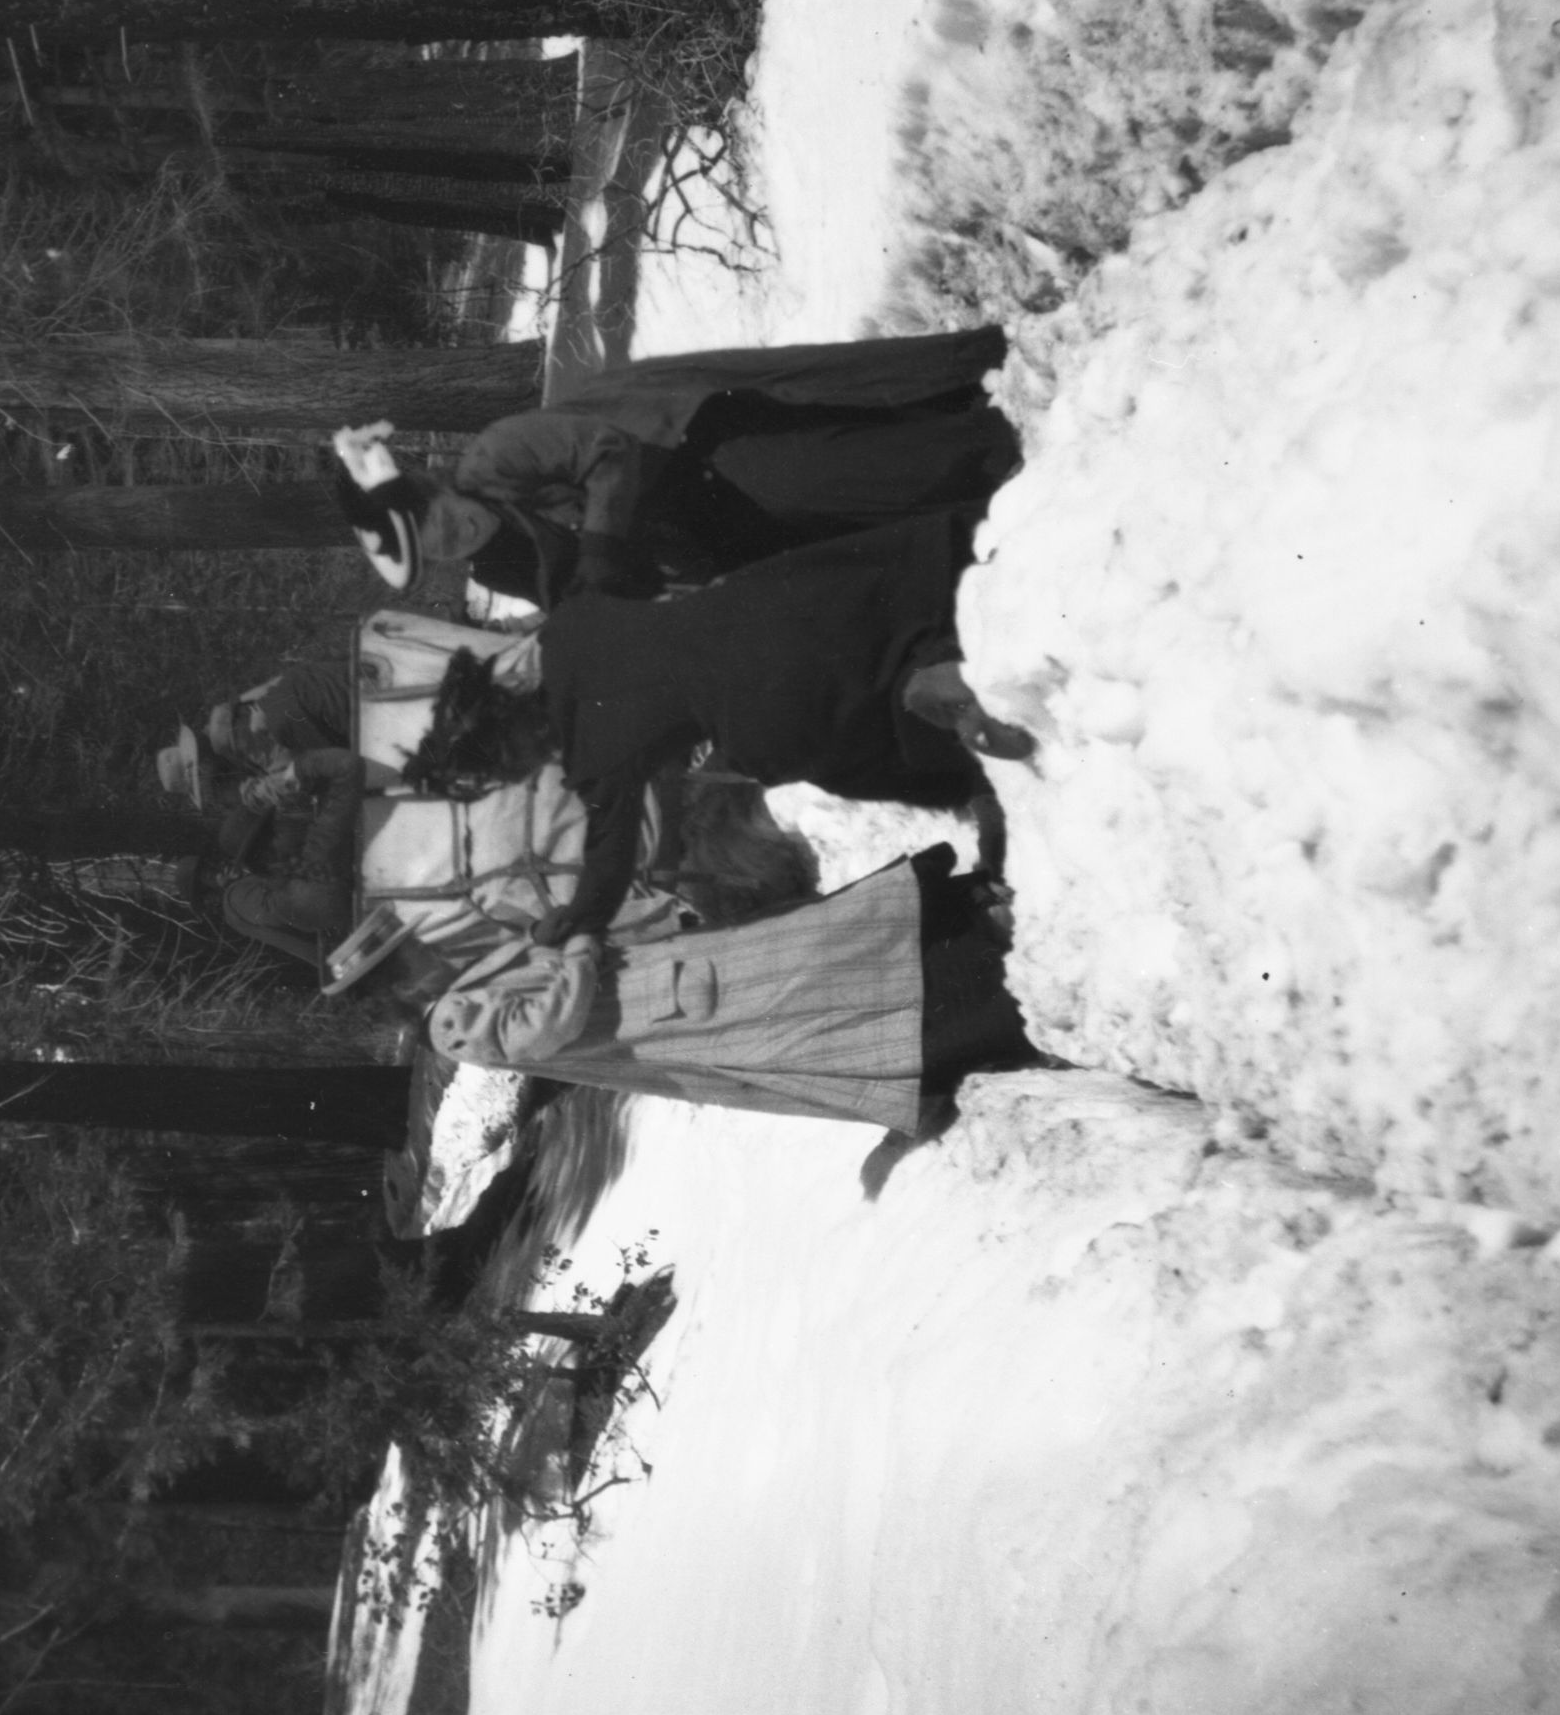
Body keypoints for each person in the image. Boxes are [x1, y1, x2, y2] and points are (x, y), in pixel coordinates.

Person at [399, 510, 1034, 945]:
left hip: (766, 706)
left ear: (512, 752)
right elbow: (603, 561)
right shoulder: (566, 630)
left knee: (839, 755)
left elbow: (608, 866)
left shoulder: (593, 759)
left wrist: (570, 924)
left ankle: (964, 762)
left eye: (507, 771)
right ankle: (944, 642)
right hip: (768, 602)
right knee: (876, 615)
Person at [330, 326, 1023, 607]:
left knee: (865, 474)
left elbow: (607, 449)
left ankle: (1017, 432)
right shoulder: (502, 567)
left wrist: (602, 544)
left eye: (439, 521)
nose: (454, 537)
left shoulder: (496, 455)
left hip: (692, 451)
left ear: (434, 488)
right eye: (439, 549)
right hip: (697, 534)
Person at [423, 849, 1038, 1135]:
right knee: (823, 979)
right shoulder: (466, 1031)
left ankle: (963, 914)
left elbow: (534, 979)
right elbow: (552, 1020)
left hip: (678, 977)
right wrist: (578, 947)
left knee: (822, 939)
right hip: (681, 1006)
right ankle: (985, 978)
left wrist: (543, 937)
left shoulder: (466, 994)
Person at [176, 747, 369, 970]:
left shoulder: (254, 880)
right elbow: (292, 916)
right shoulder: (234, 899)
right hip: (332, 925)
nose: (219, 869)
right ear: (208, 893)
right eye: (210, 875)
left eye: (212, 865)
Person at [204, 659, 355, 768]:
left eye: (240, 748)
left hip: (360, 720)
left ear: (239, 738)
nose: (247, 752)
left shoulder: (279, 728)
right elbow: (267, 687)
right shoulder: (288, 679)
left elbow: (338, 759)